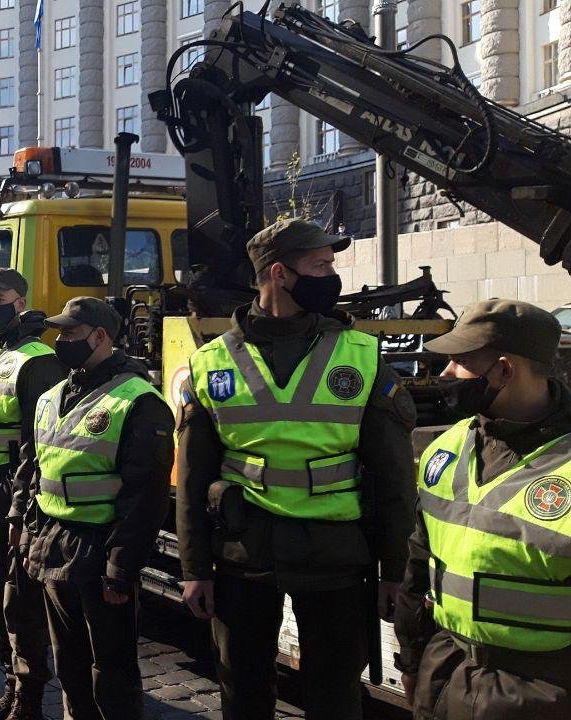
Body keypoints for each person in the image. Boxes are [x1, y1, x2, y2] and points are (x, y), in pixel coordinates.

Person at [176, 218, 416, 720]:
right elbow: (192, 480)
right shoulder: (212, 362)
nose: (332, 275)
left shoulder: (361, 355)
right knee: (242, 692)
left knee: (335, 697)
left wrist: (395, 570)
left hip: (334, 557)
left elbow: (395, 477)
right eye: (321, 264)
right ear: (280, 274)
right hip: (244, 556)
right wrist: (195, 570)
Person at [394, 300, 571, 719]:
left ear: (505, 370)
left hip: (542, 694)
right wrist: (413, 658)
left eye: (460, 363)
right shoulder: (449, 447)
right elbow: (420, 562)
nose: (445, 375)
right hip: (446, 672)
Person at [17, 297, 174, 720]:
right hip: (53, 543)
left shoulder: (139, 400)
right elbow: (34, 467)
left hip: (100, 549)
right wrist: (28, 528)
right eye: (60, 333)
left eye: (70, 333)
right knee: (68, 658)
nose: (61, 341)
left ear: (100, 336)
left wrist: (120, 568)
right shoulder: (53, 396)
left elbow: (146, 496)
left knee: (112, 669)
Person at [0, 268, 64, 720]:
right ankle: (13, 678)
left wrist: (21, 509)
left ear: (19, 301)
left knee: (19, 596)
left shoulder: (37, 358)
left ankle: (28, 695)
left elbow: (38, 440)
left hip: (15, 488)